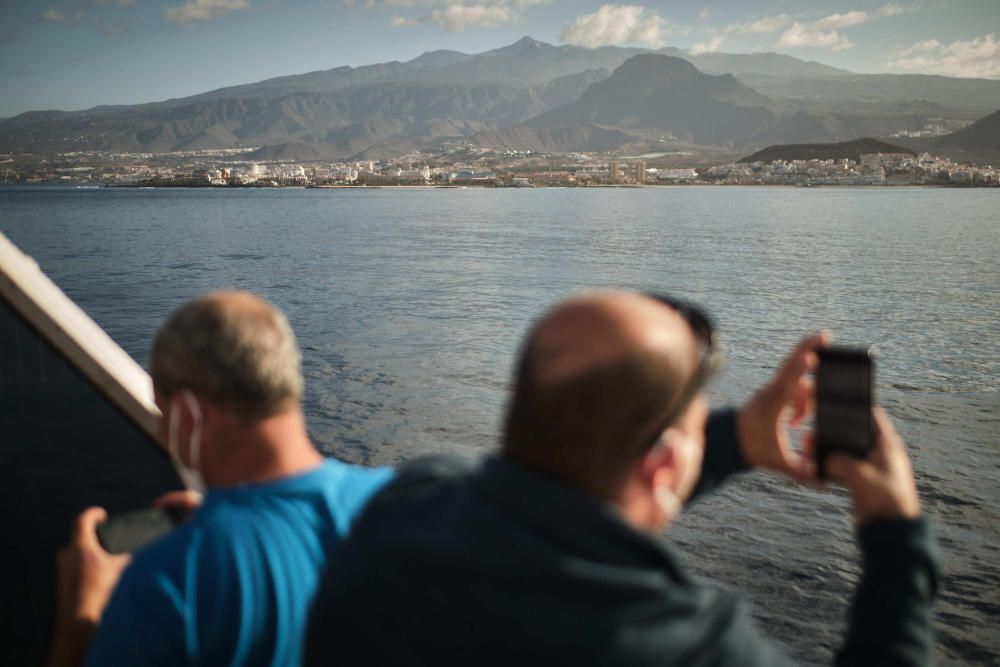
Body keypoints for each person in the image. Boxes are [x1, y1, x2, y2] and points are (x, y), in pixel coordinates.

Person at [305, 291, 937, 666]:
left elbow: (576, 490)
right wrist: (896, 529)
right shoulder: (679, 643)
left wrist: (733, 439)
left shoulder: (407, 504)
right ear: (664, 467)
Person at [48, 291, 393, 667]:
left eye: (164, 414)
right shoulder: (406, 507)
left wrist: (79, 626)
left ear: (188, 414)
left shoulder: (167, 582)